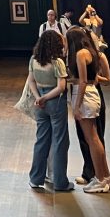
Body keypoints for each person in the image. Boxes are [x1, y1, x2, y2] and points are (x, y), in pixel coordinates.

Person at [67, 27, 110, 194]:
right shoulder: (94, 53)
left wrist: (76, 105)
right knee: (95, 138)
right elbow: (90, 78)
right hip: (93, 94)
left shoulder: (80, 54)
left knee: (92, 138)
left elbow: (82, 81)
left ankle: (100, 179)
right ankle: (106, 176)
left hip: (85, 96)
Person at [25, 30, 73, 192]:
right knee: (60, 141)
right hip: (54, 102)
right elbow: (61, 87)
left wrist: (39, 97)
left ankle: (35, 178)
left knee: (41, 140)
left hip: (40, 103)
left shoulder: (33, 60)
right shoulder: (57, 62)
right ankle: (60, 182)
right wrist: (46, 98)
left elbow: (31, 81)